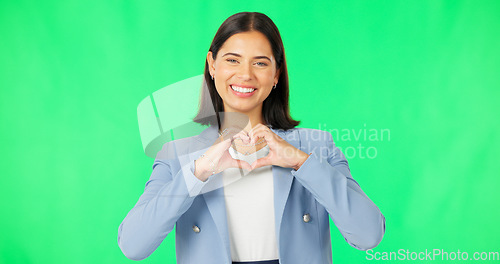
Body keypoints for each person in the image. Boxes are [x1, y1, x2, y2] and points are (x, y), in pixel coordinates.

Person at [118, 12, 385, 264]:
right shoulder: (177, 154)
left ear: (276, 74)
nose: (245, 74)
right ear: (212, 65)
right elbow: (133, 245)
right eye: (232, 60)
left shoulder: (316, 146)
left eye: (260, 63)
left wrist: (299, 161)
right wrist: (199, 170)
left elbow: (368, 235)